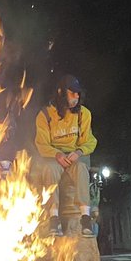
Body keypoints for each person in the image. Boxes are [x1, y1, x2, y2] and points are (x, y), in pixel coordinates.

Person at [34, 74, 98, 236]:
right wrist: (56, 155)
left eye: (78, 93)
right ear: (61, 93)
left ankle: (85, 218)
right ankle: (53, 219)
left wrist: (79, 152)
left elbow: (89, 141)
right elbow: (42, 143)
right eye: (72, 93)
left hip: (73, 157)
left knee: (82, 170)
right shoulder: (45, 115)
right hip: (54, 157)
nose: (77, 97)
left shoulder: (84, 114)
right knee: (49, 170)